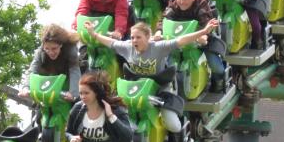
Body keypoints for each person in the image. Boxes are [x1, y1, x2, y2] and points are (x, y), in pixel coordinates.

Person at [84, 19, 218, 132]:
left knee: (173, 126)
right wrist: (93, 34)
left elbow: (181, 40)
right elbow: (110, 42)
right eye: (132, 37)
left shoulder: (159, 47)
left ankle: (180, 126)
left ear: (148, 37)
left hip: (159, 88)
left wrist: (204, 31)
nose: (134, 40)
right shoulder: (127, 47)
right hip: (137, 89)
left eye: (138, 37)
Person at [162, 0, 227, 89]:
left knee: (216, 66)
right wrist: (159, 31)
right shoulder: (173, 4)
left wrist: (203, 36)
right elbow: (165, 19)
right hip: (178, 38)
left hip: (200, 38)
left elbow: (205, 21)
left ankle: (218, 82)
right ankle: (169, 86)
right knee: (164, 60)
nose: (181, 2)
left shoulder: (201, 5)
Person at [19, 24, 81, 101]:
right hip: (48, 77)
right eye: (47, 49)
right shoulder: (41, 52)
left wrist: (73, 93)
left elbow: (74, 70)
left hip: (66, 76)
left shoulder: (70, 49)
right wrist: (25, 88)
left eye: (54, 48)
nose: (51, 52)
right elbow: (33, 69)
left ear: (61, 45)